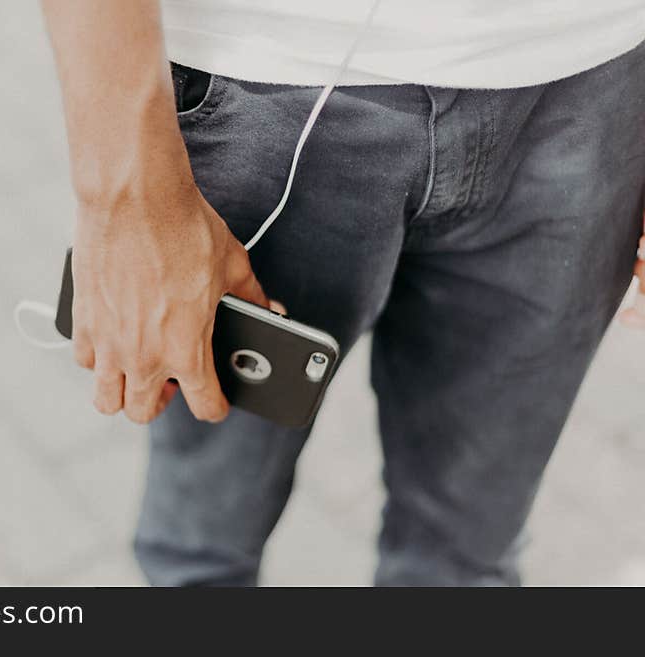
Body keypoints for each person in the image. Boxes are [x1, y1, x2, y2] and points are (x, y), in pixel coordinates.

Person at [39, 0, 645, 586]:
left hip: (587, 82)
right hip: (263, 84)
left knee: (466, 558)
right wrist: (124, 192)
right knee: (204, 541)